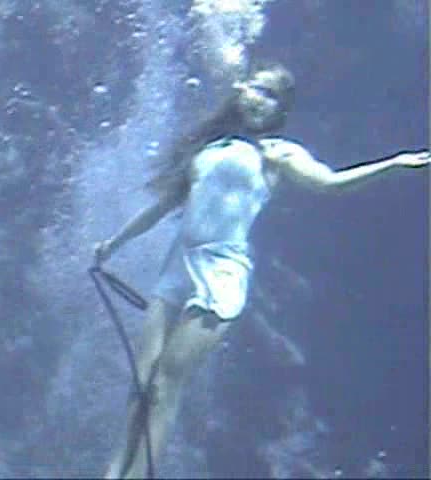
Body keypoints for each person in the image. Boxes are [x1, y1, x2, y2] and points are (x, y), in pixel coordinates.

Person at [93, 60, 429, 479]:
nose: (260, 100)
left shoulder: (278, 153)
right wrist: (112, 245)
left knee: (166, 384)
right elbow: (160, 208)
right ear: (240, 89)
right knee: (142, 384)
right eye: (256, 88)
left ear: (280, 111)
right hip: (176, 268)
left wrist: (393, 164)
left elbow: (329, 183)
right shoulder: (209, 148)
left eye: (271, 96)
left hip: (221, 275)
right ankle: (112, 473)